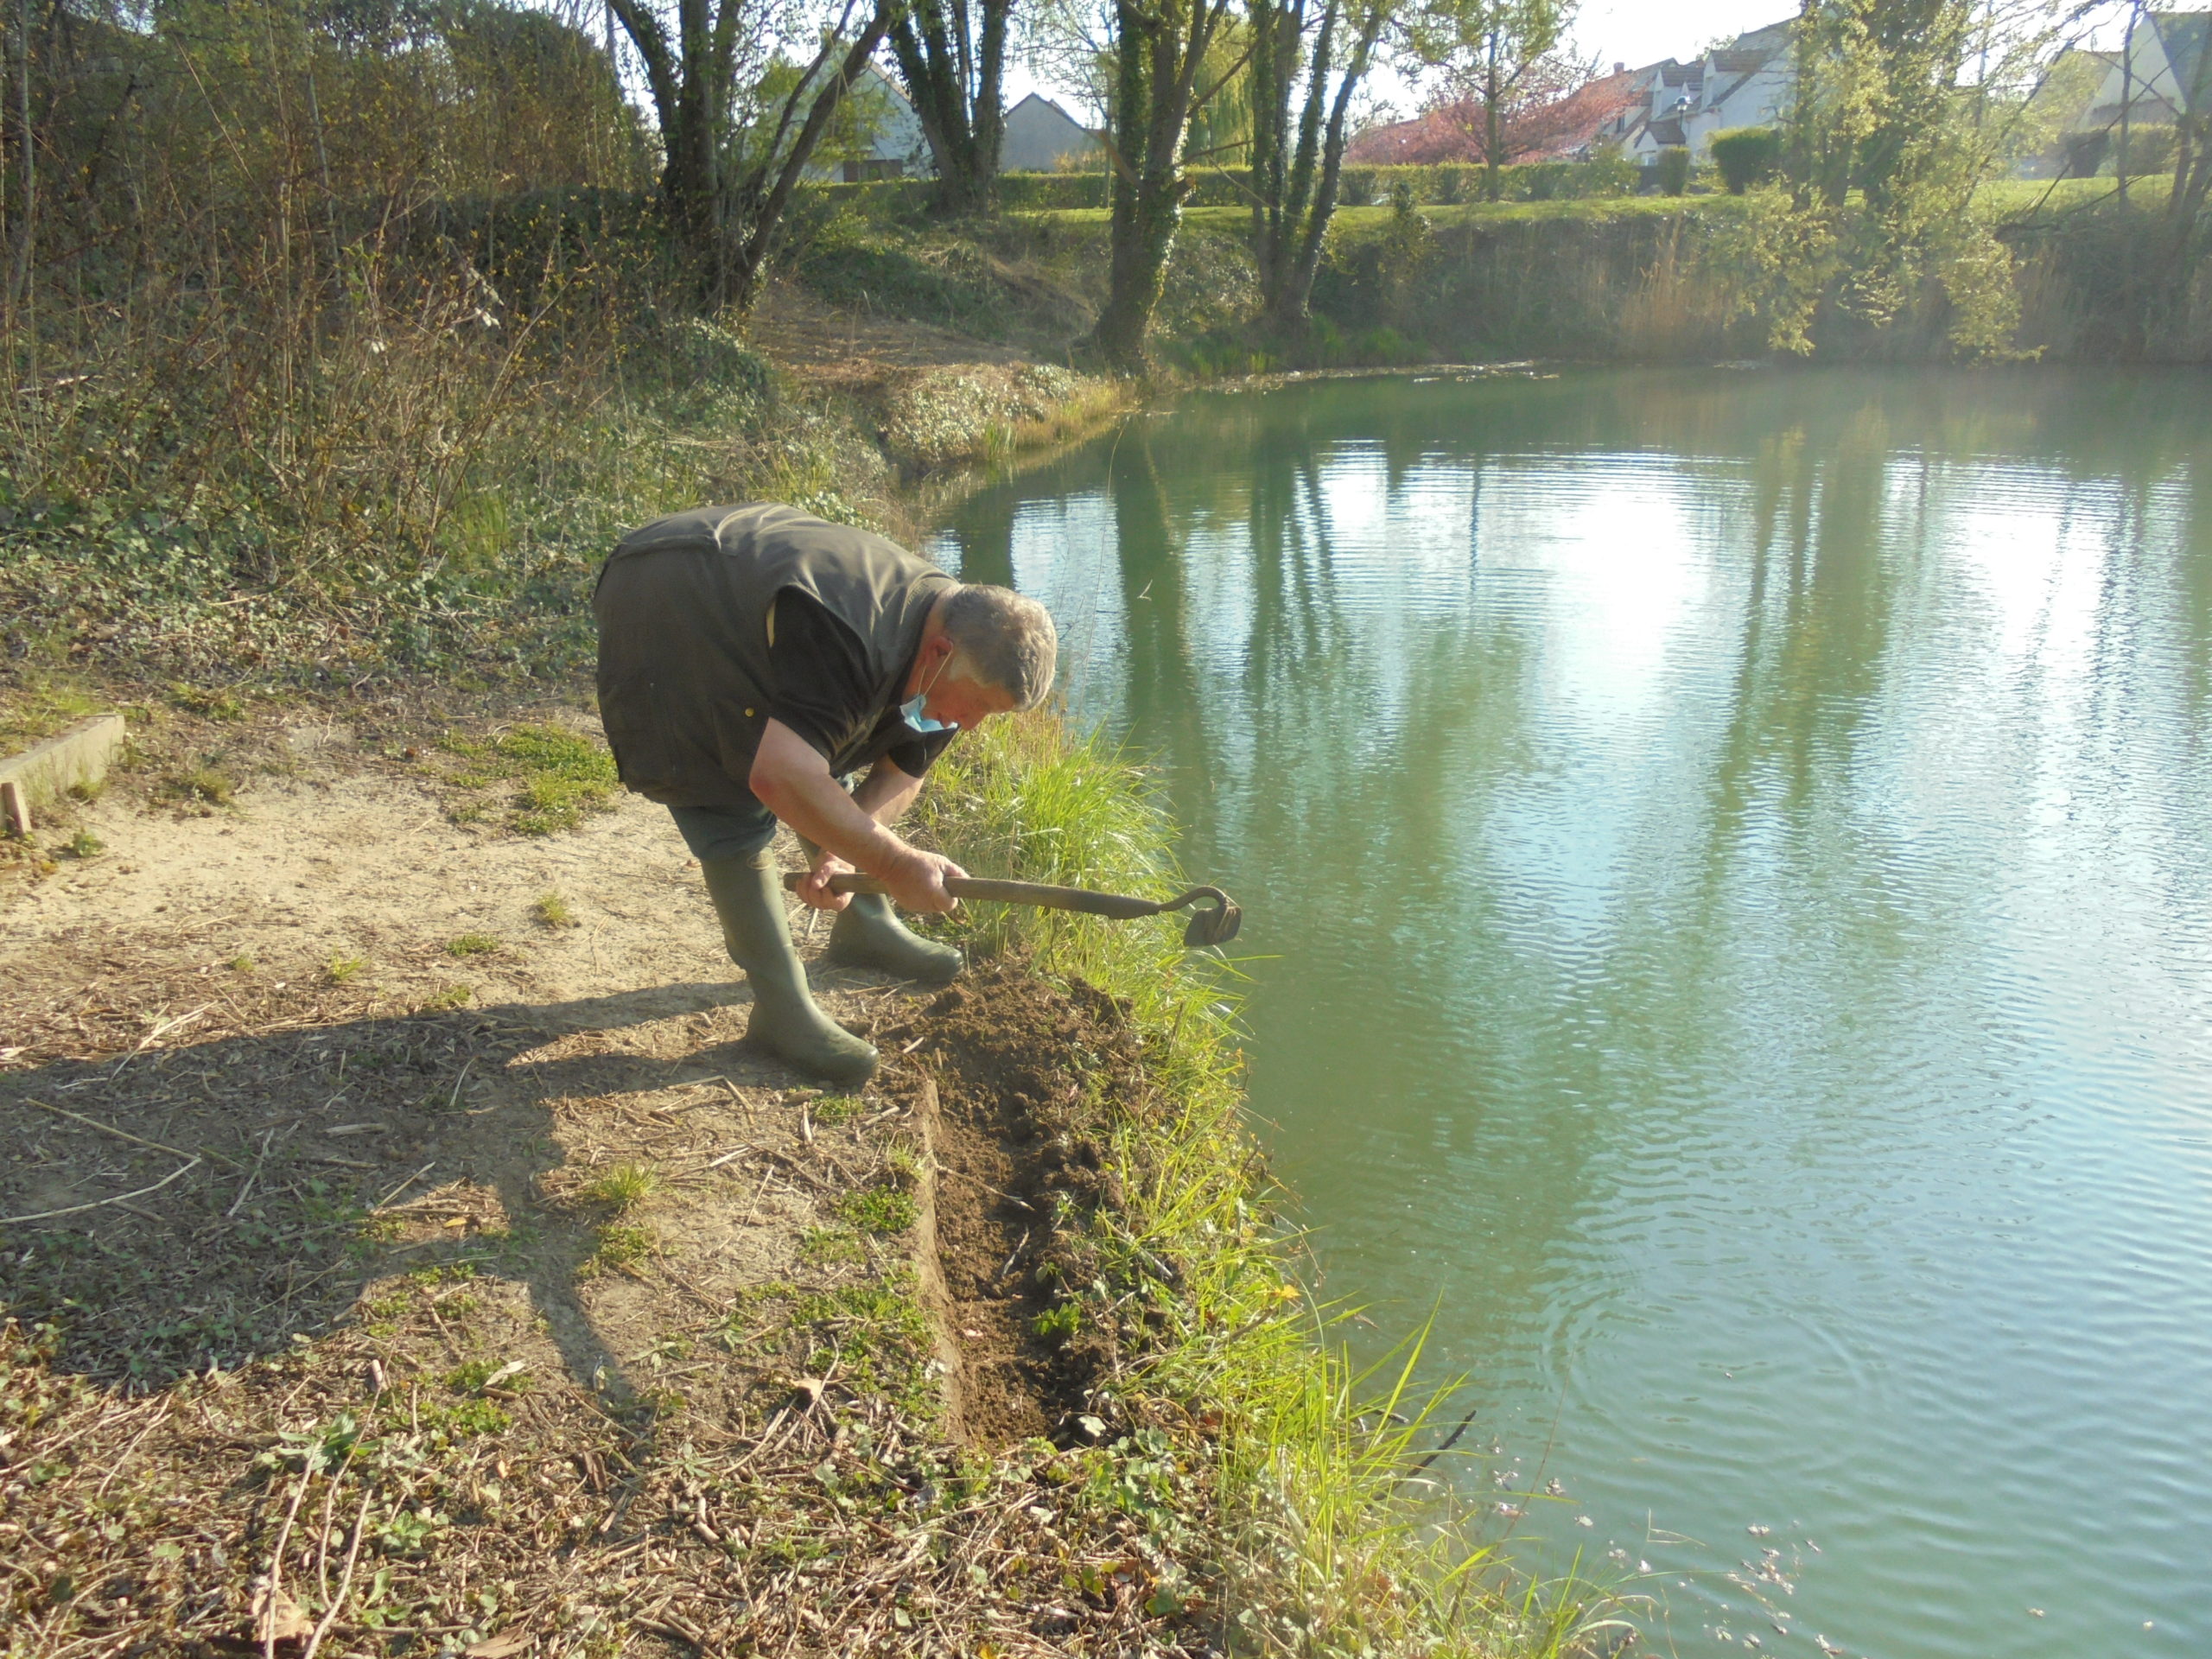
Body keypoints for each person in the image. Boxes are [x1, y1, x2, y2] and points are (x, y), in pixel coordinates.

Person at [593, 502, 1058, 1085]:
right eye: (980, 705)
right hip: (671, 587)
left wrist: (850, 856)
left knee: (824, 749)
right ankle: (781, 1011)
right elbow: (780, 775)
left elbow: (903, 764)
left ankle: (865, 926)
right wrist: (891, 860)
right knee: (730, 785)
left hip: (760, 587)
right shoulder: (846, 634)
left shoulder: (952, 634)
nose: (971, 726)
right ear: (940, 653)